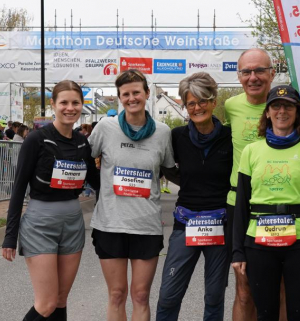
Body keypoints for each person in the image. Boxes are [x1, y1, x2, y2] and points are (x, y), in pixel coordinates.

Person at [2, 80, 99, 321]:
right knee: (46, 304)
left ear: (82, 105)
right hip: (40, 223)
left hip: (73, 223)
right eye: (64, 102)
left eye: (75, 102)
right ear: (53, 104)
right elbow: (18, 188)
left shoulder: (82, 142)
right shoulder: (36, 139)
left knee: (60, 300)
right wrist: (10, 235)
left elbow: (97, 182)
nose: (70, 108)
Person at [230, 85, 300, 320]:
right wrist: (237, 251)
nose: (282, 111)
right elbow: (241, 205)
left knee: (298, 313)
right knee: (265, 313)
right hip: (259, 244)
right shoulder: (251, 151)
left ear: (297, 112)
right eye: (276, 106)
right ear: (267, 112)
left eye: (288, 106)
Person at [88, 69, 175, 321]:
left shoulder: (163, 132)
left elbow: (170, 169)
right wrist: (99, 187)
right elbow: (84, 159)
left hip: (146, 225)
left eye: (136, 92)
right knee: (116, 294)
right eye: (125, 94)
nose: (131, 98)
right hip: (110, 224)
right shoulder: (105, 127)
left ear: (147, 94)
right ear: (120, 98)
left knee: (140, 295)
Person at [155, 72, 233, 321]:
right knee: (168, 295)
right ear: (185, 107)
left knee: (214, 296)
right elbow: (165, 166)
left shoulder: (230, 137)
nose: (197, 108)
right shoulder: (177, 136)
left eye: (202, 101)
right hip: (185, 223)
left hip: (220, 225)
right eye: (191, 103)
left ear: (213, 102)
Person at [224, 48, 283, 321]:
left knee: (279, 288)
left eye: (260, 70)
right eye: (246, 71)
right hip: (240, 205)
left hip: (280, 206)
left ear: (272, 73)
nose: (253, 77)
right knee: (244, 287)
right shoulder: (231, 106)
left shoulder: (289, 106)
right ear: (239, 76)